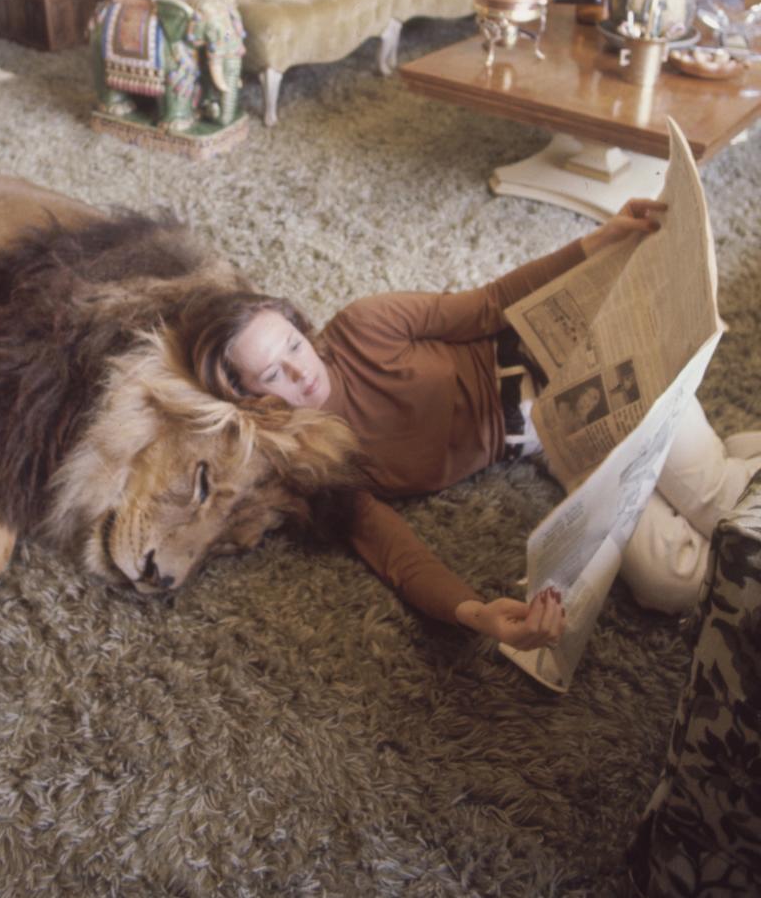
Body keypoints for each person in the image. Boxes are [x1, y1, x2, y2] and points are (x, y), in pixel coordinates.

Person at [178, 200, 760, 653]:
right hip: (552, 444)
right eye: (272, 373)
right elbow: (397, 556)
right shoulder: (319, 465)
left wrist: (598, 241)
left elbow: (491, 303)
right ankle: (745, 456)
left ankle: (733, 468)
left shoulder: (365, 325)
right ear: (247, 398)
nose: (301, 372)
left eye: (295, 344)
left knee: (715, 499)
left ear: (301, 325)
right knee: (672, 583)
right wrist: (476, 613)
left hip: (579, 366)